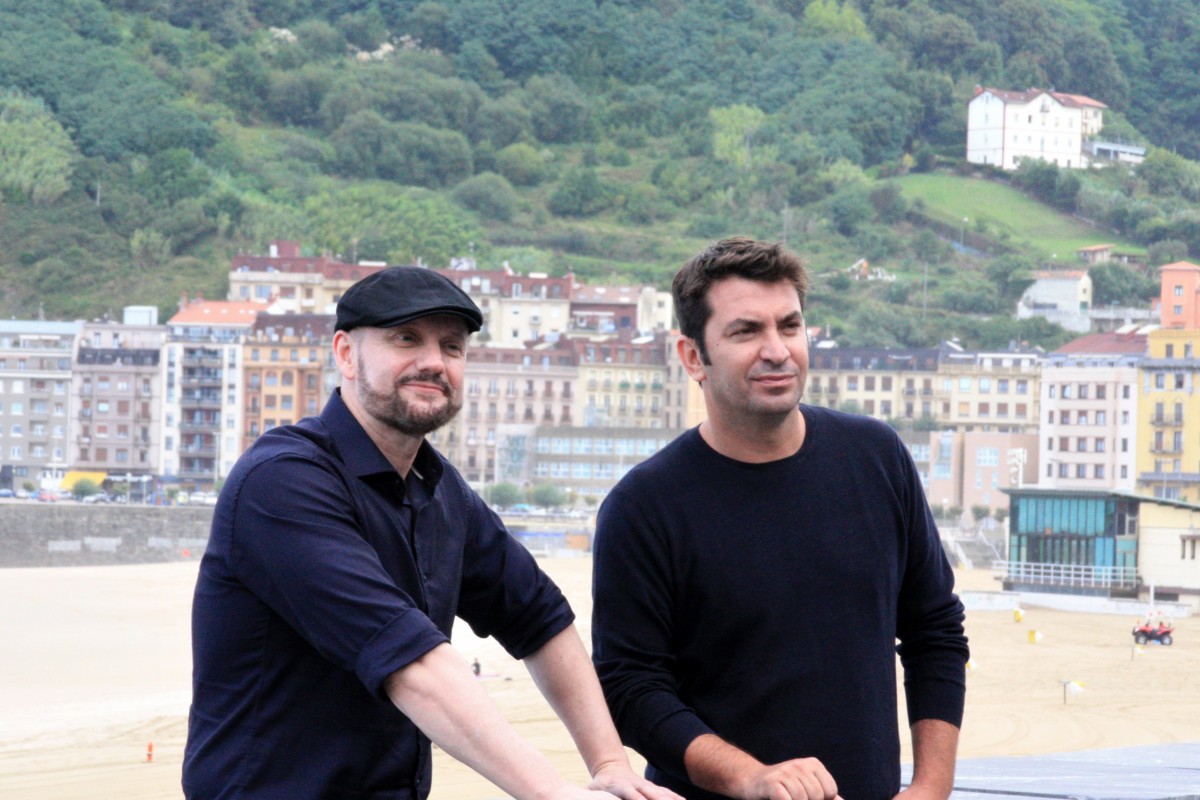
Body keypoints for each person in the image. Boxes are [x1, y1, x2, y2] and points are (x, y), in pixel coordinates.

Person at [184, 266, 683, 800]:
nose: (434, 362)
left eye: (452, 346)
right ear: (346, 354)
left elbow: (539, 618)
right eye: (406, 339)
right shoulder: (282, 480)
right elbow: (409, 661)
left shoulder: (439, 487)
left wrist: (610, 764)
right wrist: (553, 793)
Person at [591, 237, 969, 800]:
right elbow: (631, 689)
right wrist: (749, 776)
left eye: (790, 326)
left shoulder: (877, 457)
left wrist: (931, 787)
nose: (777, 350)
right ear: (692, 357)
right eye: (746, 332)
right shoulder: (644, 506)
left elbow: (934, 631)